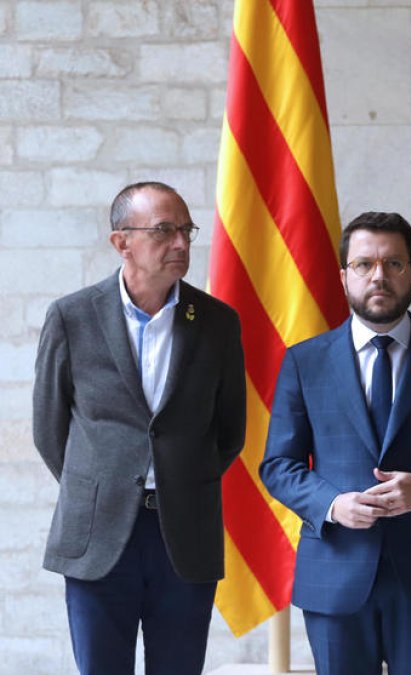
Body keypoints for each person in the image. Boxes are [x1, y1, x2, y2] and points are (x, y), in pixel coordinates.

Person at [260, 211, 411, 675]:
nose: (379, 276)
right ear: (345, 275)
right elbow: (279, 465)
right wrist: (333, 503)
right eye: (364, 264)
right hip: (336, 573)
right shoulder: (305, 362)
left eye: (393, 264)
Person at [32, 182, 246, 674]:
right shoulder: (72, 317)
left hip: (184, 535)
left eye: (187, 231)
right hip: (98, 537)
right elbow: (50, 429)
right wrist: (101, 486)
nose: (182, 244)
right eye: (164, 231)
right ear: (121, 242)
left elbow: (229, 429)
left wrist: (181, 480)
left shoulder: (217, 322)